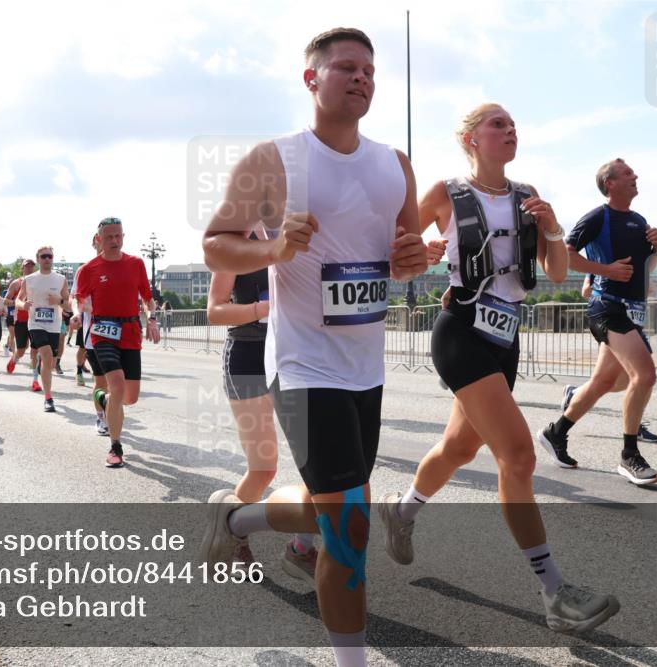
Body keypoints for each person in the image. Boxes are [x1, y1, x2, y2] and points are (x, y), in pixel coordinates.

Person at [200, 28, 431, 665]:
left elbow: (404, 257)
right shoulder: (275, 159)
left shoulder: (395, 164)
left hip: (365, 367)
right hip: (301, 363)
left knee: (336, 508)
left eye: (369, 71)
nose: (362, 78)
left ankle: (236, 520)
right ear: (311, 79)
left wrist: (412, 260)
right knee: (350, 524)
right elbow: (216, 244)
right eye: (346, 68)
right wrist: (275, 248)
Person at [378, 103, 619, 636]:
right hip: (460, 332)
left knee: (459, 449)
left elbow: (556, 272)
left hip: (506, 337)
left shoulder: (527, 196)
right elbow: (395, 258)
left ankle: (402, 511)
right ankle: (555, 593)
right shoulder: (444, 193)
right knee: (518, 455)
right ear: (470, 138)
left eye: (513, 125)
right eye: (498, 125)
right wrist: (422, 252)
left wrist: (552, 228)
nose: (510, 131)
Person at [539, 158, 657, 485]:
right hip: (608, 307)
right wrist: (605, 270)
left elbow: (643, 268)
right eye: (627, 173)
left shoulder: (639, 221)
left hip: (633, 310)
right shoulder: (599, 216)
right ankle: (629, 455)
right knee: (645, 375)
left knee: (606, 383)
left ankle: (556, 432)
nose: (635, 175)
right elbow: (566, 255)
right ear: (610, 183)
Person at [207, 263, 319, 581]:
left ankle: (301, 548)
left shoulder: (299, 239)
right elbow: (214, 310)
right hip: (249, 356)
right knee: (263, 468)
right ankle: (234, 532)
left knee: (318, 461)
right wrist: (263, 309)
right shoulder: (237, 241)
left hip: (295, 355)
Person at [75, 219, 161, 466]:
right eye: (108, 237)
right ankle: (115, 447)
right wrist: (78, 313)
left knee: (129, 398)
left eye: (118, 236)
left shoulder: (136, 263)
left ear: (123, 236)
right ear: (98, 239)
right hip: (103, 332)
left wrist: (152, 319)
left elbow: (147, 298)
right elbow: (78, 298)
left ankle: (104, 399)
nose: (114, 241)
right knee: (117, 384)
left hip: (130, 331)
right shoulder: (89, 269)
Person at [558, 276, 657, 443]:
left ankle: (575, 394)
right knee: (642, 376)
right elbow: (586, 290)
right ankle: (634, 430)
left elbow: (650, 286)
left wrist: (641, 286)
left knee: (627, 381)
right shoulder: (604, 262)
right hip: (614, 319)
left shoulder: (639, 262)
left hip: (634, 323)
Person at [16, 246, 70, 412]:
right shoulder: (29, 279)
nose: (47, 259)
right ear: (38, 259)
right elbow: (17, 300)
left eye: (49, 256)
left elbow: (68, 304)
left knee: (50, 362)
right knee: (46, 355)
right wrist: (23, 305)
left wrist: (59, 301)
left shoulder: (61, 279)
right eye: (44, 256)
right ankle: (48, 398)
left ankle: (42, 368)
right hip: (35, 323)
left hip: (54, 325)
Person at [71, 235, 109, 429]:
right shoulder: (85, 270)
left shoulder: (126, 266)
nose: (109, 242)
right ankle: (102, 417)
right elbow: (74, 298)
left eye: (114, 237)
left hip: (121, 334)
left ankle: (110, 413)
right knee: (102, 381)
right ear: (95, 242)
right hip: (94, 332)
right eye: (103, 239)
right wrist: (77, 313)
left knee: (120, 385)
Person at [4, 259, 35, 376]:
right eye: (27, 266)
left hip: (35, 320)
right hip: (21, 320)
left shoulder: (38, 281)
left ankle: (35, 373)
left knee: (36, 347)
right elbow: (6, 301)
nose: (29, 268)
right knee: (22, 349)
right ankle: (14, 360)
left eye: (31, 266)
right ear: (22, 268)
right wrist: (18, 302)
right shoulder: (17, 283)